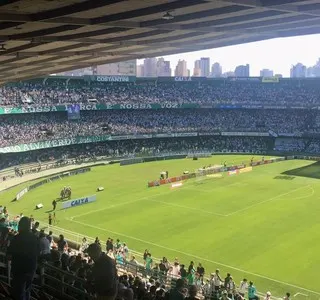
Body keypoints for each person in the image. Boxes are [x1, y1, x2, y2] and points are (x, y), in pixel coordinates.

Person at [7, 217, 39, 300]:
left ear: (21, 226)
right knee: (27, 290)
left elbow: (9, 254)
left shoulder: (17, 238)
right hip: (31, 269)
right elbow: (38, 252)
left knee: (19, 292)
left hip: (19, 269)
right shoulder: (35, 238)